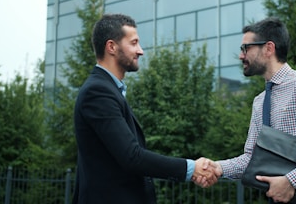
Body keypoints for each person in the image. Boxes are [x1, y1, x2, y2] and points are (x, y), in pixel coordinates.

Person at [194, 17, 296, 203]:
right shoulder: (260, 101)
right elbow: (253, 158)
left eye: (246, 48)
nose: (241, 56)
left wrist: (291, 181)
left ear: (269, 48)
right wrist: (217, 168)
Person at [72, 13, 219, 204]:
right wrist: (191, 169)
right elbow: (132, 157)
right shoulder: (98, 92)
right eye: (133, 43)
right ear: (111, 47)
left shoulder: (108, 90)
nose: (140, 51)